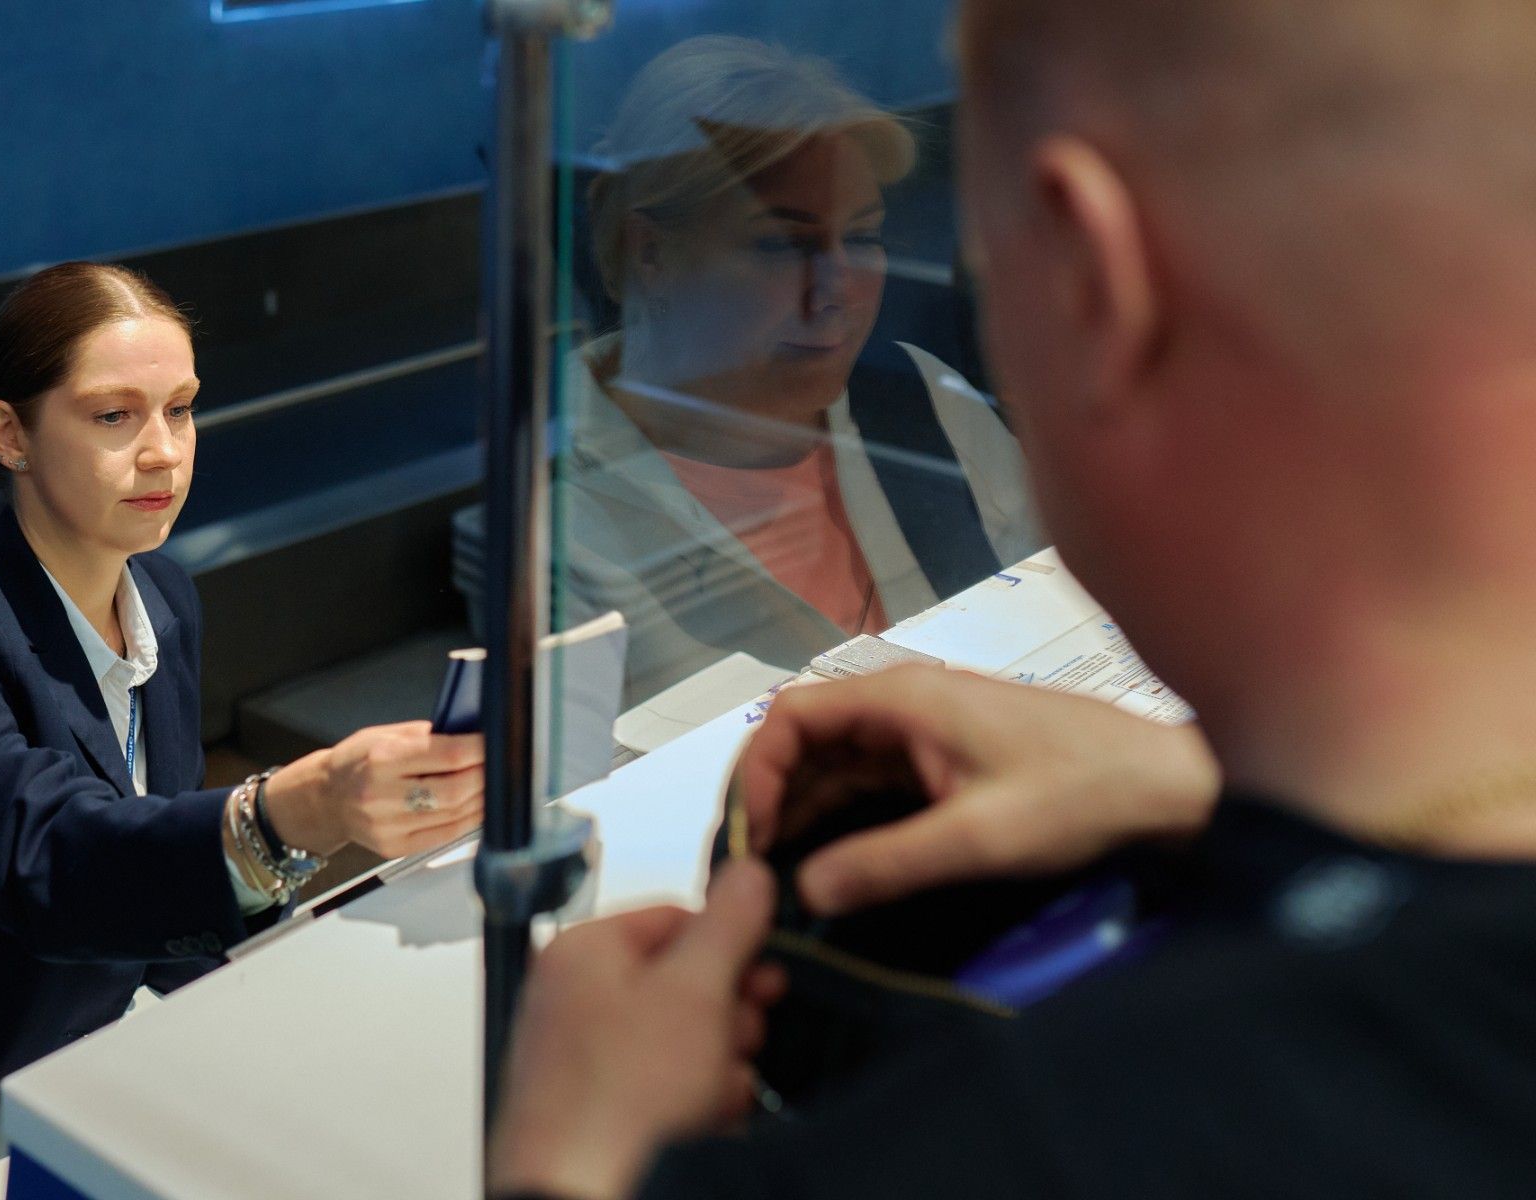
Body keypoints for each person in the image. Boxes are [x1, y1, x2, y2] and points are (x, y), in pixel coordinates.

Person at [488, 1, 1536, 1195]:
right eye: (782, 246)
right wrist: (1192, 786)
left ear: (1092, 282)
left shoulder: (1018, 1141)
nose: (839, 293)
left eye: (975, 262)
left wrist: (578, 1163)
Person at [0, 262, 486, 1177]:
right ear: (10, 434)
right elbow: (49, 859)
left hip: (105, 1047)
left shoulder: (164, 594)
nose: (164, 452)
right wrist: (293, 810)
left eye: (181, 409)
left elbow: (154, 861)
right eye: (113, 417)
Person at [556, 36, 1043, 705]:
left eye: (862, 237)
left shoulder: (924, 400)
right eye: (782, 244)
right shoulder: (554, 499)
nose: (835, 290)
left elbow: (1069, 610)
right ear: (649, 253)